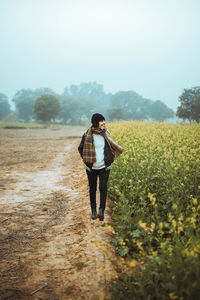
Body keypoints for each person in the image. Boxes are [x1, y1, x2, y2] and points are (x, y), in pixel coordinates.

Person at [78, 113, 124, 221]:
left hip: (104, 167)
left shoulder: (106, 133)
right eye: (101, 121)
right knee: (92, 189)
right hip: (91, 168)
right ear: (96, 122)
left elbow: (111, 148)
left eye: (104, 120)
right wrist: (86, 162)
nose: (104, 122)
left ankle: (101, 210)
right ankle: (93, 210)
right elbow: (80, 148)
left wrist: (109, 162)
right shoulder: (87, 135)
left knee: (103, 188)